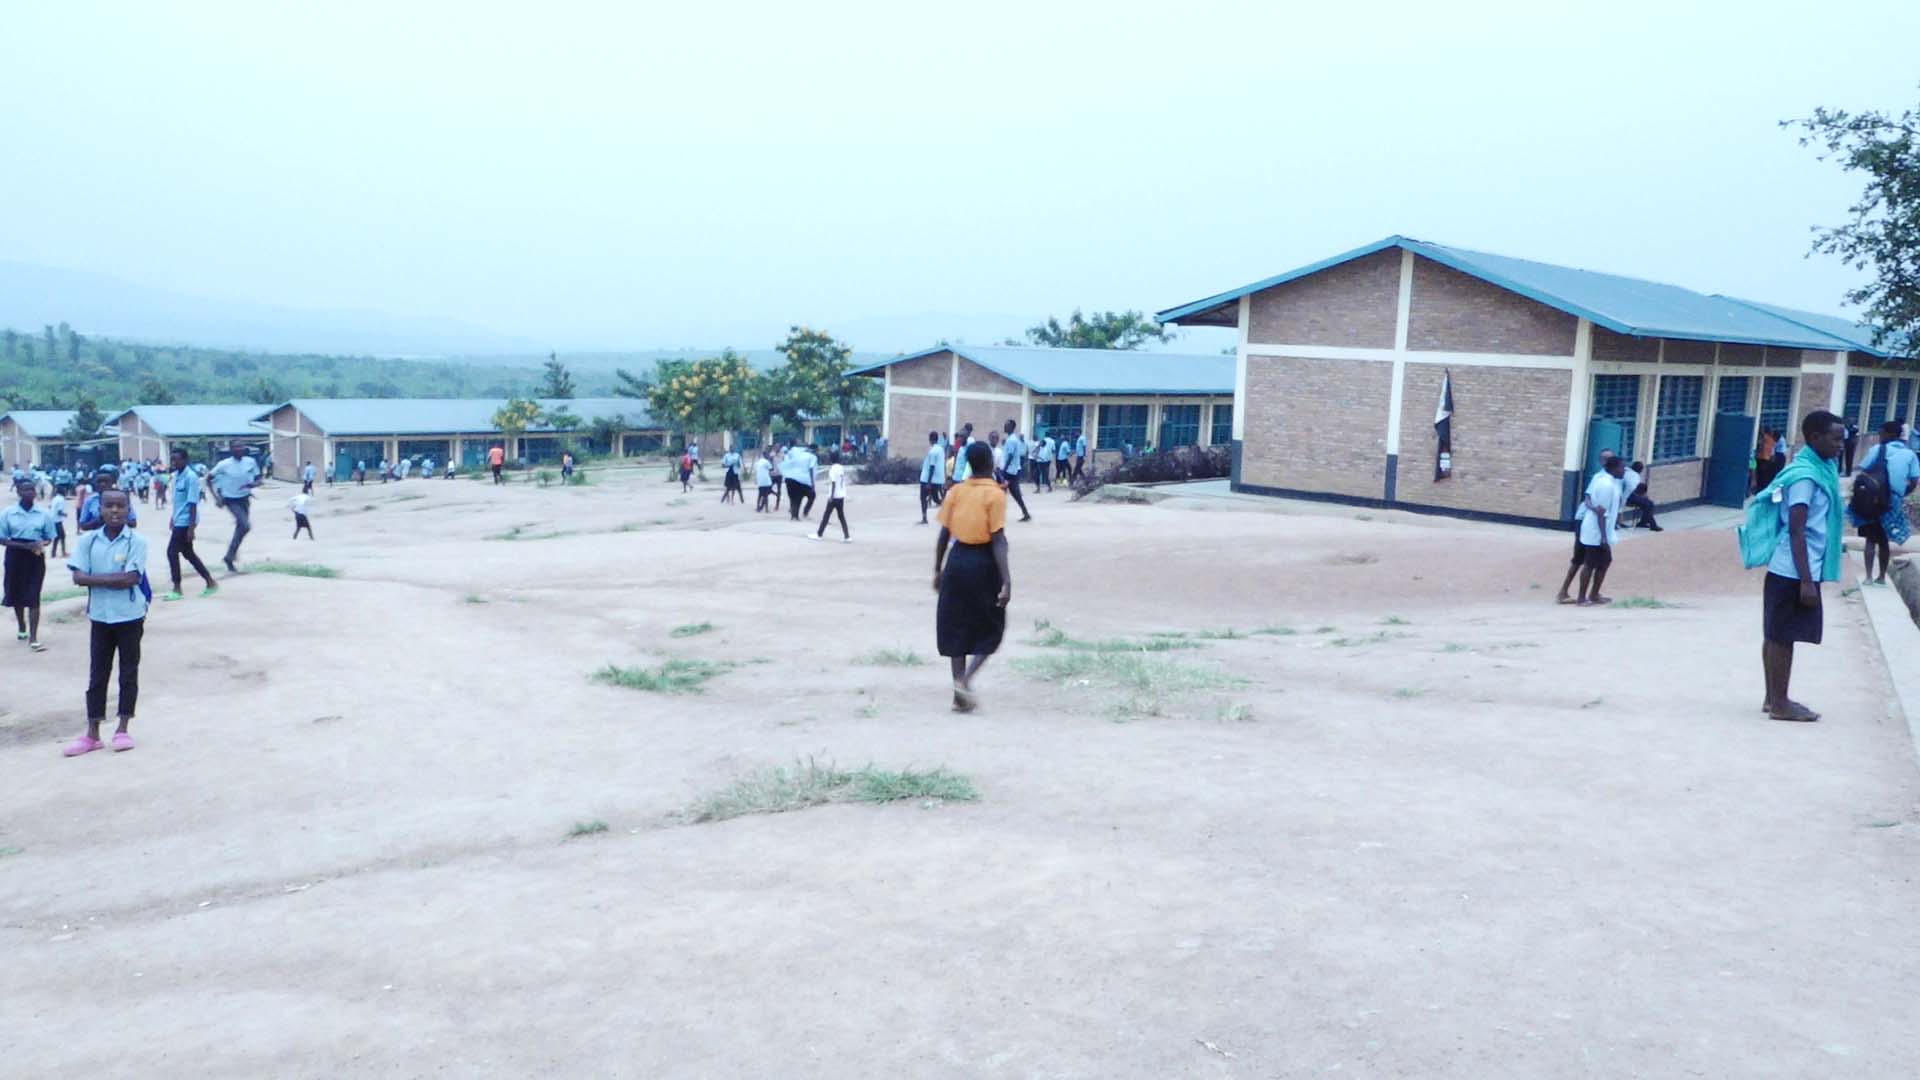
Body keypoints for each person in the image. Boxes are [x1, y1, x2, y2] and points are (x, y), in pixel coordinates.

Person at [1759, 411, 1847, 722]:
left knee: (1776, 633)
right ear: (1813, 438)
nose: (1840, 444)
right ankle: (1781, 704)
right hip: (1796, 569)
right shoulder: (1806, 477)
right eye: (1835, 438)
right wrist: (1807, 581)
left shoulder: (1820, 469)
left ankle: (1773, 698)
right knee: (1783, 635)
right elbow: (1797, 528)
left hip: (1791, 567)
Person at [63, 490, 149, 757]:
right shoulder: (88, 541)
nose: (114, 511)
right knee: (97, 674)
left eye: (120, 506)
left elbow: (132, 579)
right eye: (109, 506)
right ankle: (92, 734)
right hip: (100, 617)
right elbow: (77, 577)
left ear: (128, 509)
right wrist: (114, 580)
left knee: (128, 671)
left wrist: (95, 578)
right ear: (99, 509)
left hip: (130, 616)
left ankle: (123, 727)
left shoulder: (137, 541)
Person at [934, 442, 1012, 713]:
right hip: (983, 563)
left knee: (956, 624)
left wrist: (938, 569)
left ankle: (958, 691)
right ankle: (965, 682)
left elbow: (944, 534)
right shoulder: (995, 496)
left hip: (957, 561)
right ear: (990, 463)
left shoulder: (956, 491)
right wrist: (1006, 581)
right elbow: (998, 539)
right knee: (991, 626)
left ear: (968, 463)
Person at [1850, 419, 1918, 586]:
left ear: (1890, 434)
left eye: (1881, 433)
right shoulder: (1909, 454)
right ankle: (1881, 577)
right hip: (1892, 501)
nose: (1879, 436)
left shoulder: (1876, 450)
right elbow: (1914, 480)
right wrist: (1901, 493)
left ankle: (1867, 577)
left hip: (1872, 500)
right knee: (1884, 540)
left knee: (1870, 540)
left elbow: (1863, 471)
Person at [1556, 452, 1626, 606]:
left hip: (1598, 527)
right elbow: (1599, 510)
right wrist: (1602, 536)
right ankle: (1578, 596)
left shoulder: (1612, 481)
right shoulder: (1603, 481)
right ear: (1612, 466)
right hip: (1591, 527)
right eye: (1622, 468)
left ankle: (1592, 594)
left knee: (1603, 560)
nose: (1624, 471)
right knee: (1585, 561)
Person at [3, 478, 57, 652]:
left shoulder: (43, 514)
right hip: (15, 555)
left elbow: (50, 536)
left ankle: (34, 637)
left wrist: (42, 544)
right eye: (25, 489)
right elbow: (2, 538)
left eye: (32, 489)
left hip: (35, 557)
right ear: (18, 492)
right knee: (16, 592)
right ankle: (22, 626)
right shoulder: (8, 513)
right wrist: (24, 546)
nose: (29, 493)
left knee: (34, 594)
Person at [162, 447, 217, 601]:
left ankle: (177, 588)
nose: (174, 462)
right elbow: (178, 501)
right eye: (172, 459)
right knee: (188, 553)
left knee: (172, 552)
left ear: (185, 460)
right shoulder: (176, 476)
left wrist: (191, 528)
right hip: (179, 519)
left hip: (186, 521)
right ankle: (210, 582)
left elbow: (192, 503)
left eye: (177, 459)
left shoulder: (191, 477)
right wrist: (173, 517)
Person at [209, 440, 261, 573]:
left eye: (241, 446)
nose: (239, 448)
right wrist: (217, 498)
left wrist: (254, 484)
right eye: (236, 447)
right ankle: (230, 555)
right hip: (230, 500)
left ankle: (229, 557)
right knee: (245, 525)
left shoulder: (250, 462)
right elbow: (208, 479)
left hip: (244, 498)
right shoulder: (224, 465)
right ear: (231, 449)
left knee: (241, 528)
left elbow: (259, 479)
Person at [77, 467, 138, 533]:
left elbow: (133, 524)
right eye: (99, 482)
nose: (102, 484)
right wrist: (99, 520)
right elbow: (83, 526)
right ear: (94, 484)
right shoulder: (90, 501)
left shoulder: (122, 498)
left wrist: (118, 518)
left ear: (112, 483)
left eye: (106, 482)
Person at [813, 451, 852, 542]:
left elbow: (833, 482)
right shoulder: (841, 468)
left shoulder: (833, 469)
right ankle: (847, 536)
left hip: (834, 496)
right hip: (841, 495)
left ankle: (819, 534)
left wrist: (831, 496)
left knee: (826, 515)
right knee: (841, 516)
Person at [1000, 419, 1033, 522]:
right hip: (1013, 470)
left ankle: (998, 514)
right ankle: (1025, 513)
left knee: (1003, 491)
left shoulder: (1011, 440)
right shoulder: (1012, 439)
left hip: (1010, 471)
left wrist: (1004, 470)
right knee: (1014, 493)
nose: (1005, 426)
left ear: (1011, 427)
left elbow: (1010, 456)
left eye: (1007, 425)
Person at [1623, 460, 1662, 531]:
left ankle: (1643, 522)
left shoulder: (1629, 472)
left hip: (1632, 496)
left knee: (1649, 503)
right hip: (1629, 498)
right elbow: (1632, 489)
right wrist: (1641, 496)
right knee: (1648, 504)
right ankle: (1653, 525)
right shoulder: (1633, 476)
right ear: (1639, 470)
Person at [782, 442, 816, 521]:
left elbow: (787, 461)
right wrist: (812, 483)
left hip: (790, 478)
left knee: (795, 498)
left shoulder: (795, 454)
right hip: (802, 480)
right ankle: (804, 512)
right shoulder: (812, 457)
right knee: (811, 495)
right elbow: (811, 469)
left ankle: (794, 516)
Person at [919, 430, 946, 524]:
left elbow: (932, 466)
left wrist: (929, 482)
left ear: (930, 439)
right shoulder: (941, 449)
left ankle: (924, 518)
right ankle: (948, 512)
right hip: (938, 479)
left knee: (923, 498)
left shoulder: (933, 451)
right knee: (935, 498)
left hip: (927, 479)